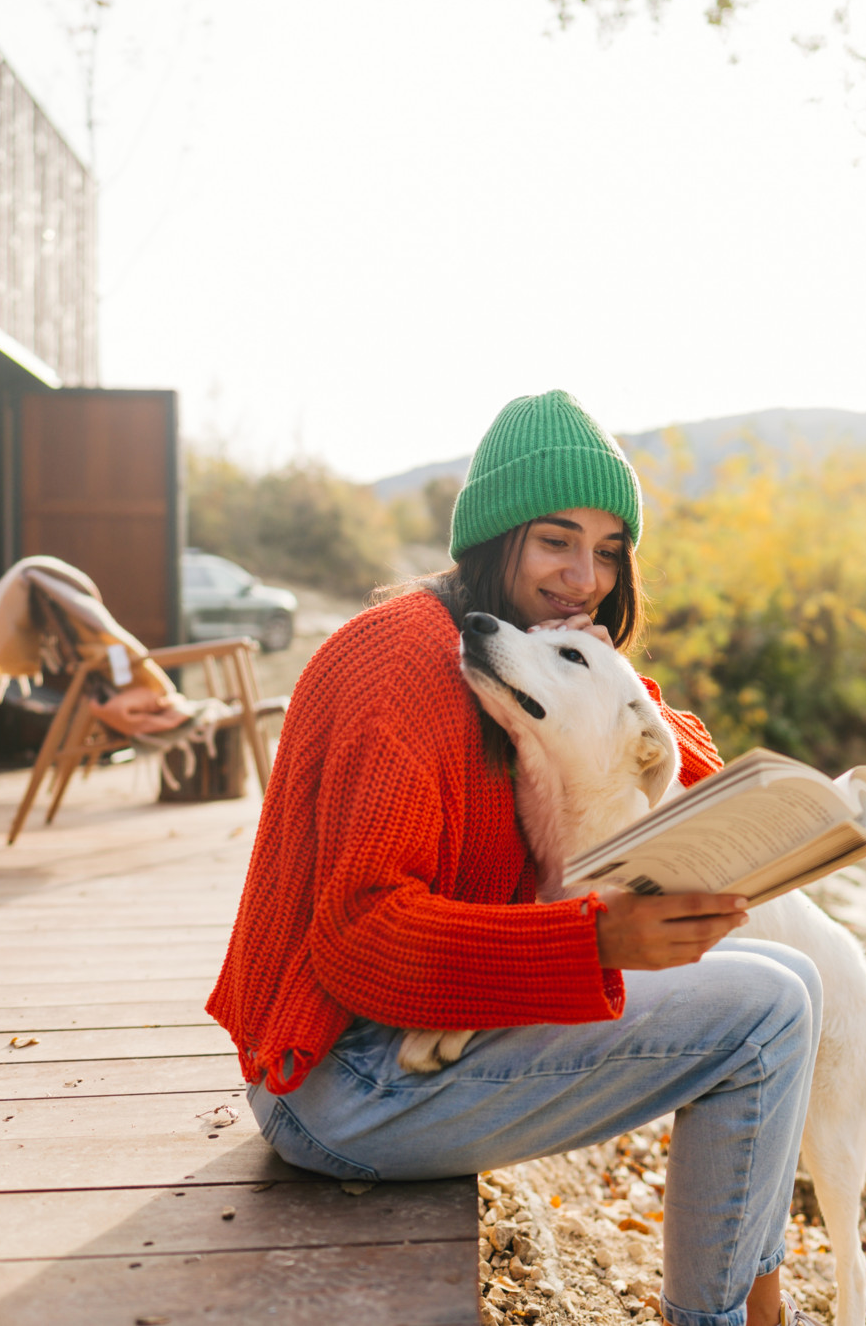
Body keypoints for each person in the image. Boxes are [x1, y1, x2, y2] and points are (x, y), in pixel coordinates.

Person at [208, 390, 823, 1326]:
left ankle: (756, 1308)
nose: (586, 576)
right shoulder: (402, 667)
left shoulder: (499, 643)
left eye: (610, 550)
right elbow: (358, 936)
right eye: (556, 541)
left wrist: (737, 794)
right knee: (767, 1011)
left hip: (406, 1046)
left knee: (791, 974)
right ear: (497, 539)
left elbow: (635, 713)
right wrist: (597, 943)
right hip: (337, 1082)